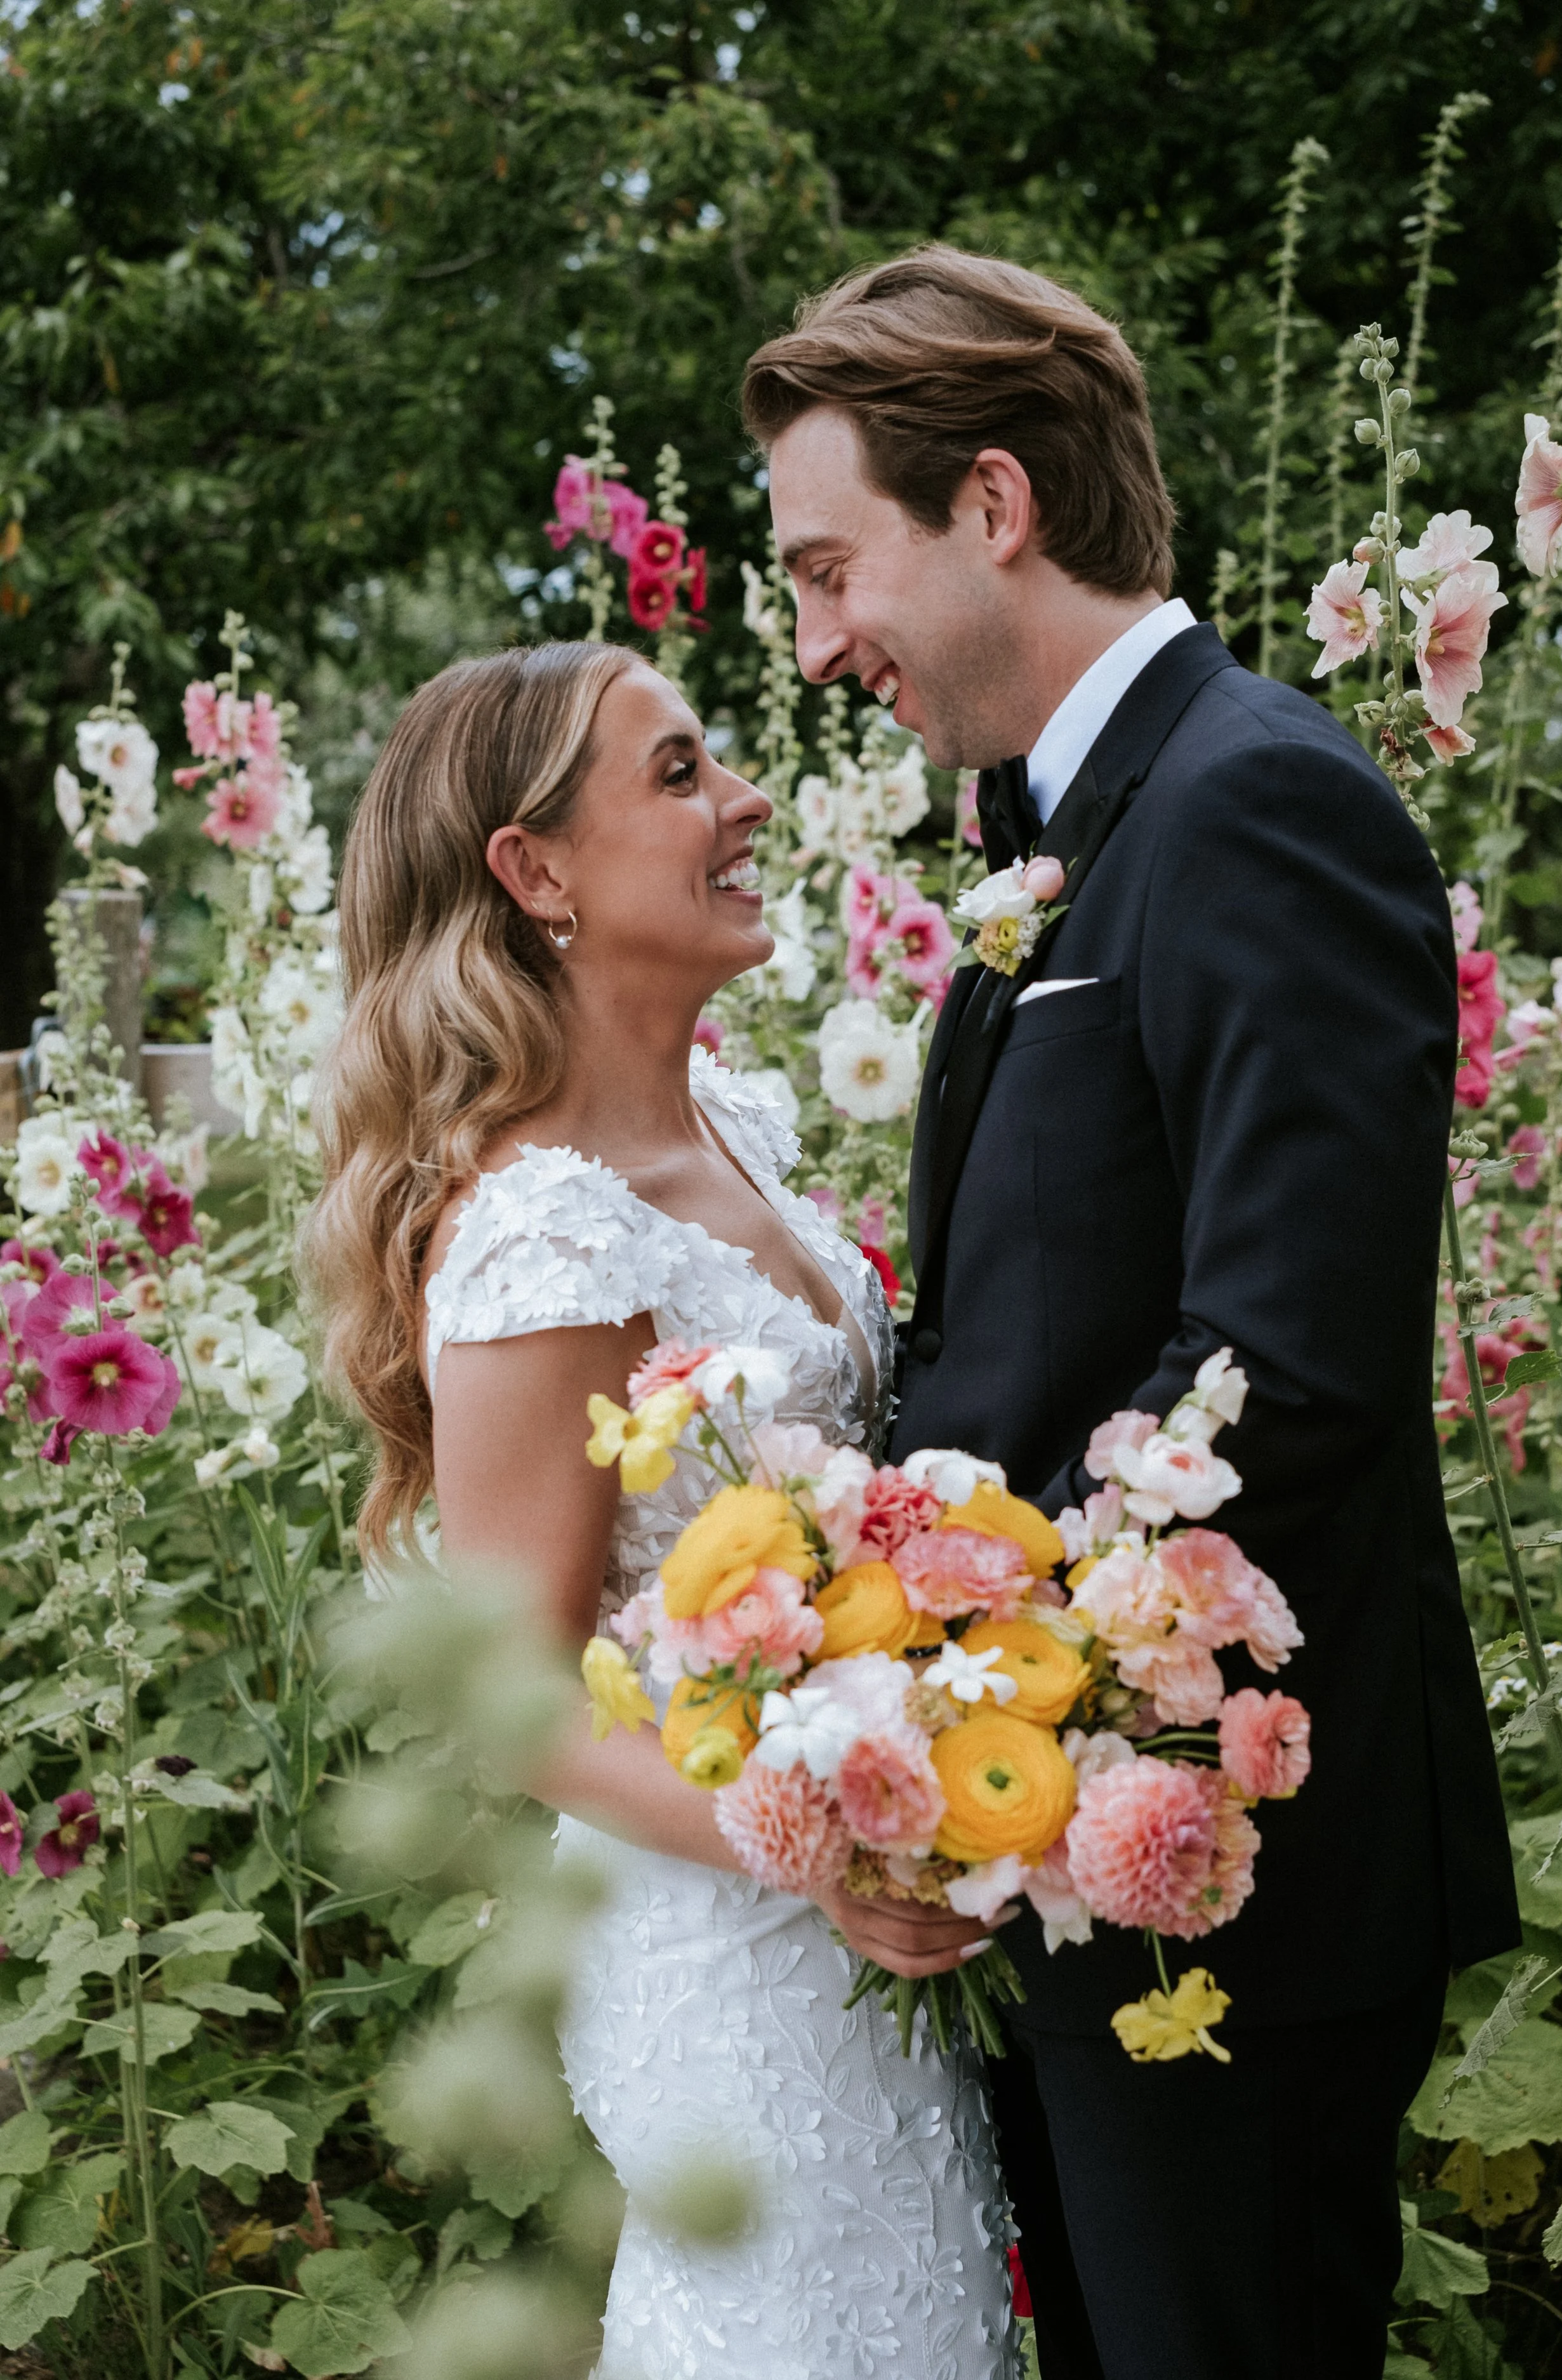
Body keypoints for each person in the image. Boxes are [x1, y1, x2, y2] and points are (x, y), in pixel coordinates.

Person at [744, 245, 1520, 2380]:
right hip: (1062, 1845)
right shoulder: (1064, 826)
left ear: (991, 505)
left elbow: (1289, 1363)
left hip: (1224, 1872)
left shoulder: (1252, 796)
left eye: (830, 569)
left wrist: (979, 1715)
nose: (818, 645)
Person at [304, 642, 1020, 2380]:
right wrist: (820, 1844)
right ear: (534, 872)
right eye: (682, 770)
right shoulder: (541, 1241)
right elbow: (522, 1699)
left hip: (877, 1897)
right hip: (732, 1950)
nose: (747, 798)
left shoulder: (738, 1126)